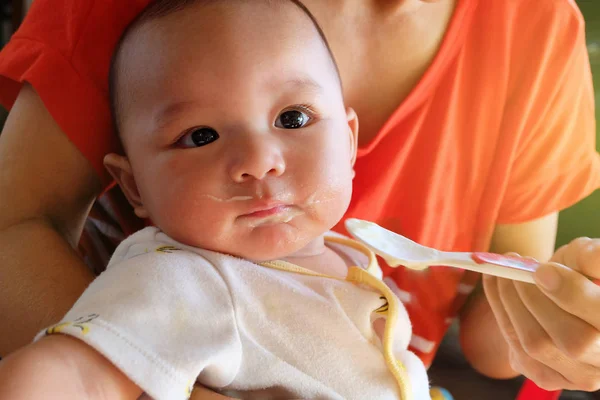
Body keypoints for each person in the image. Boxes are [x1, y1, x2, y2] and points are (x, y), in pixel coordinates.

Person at [0, 0, 599, 395]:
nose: (260, 159)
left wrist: (566, 306)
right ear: (133, 185)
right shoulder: (183, 285)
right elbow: (60, 373)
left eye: (293, 117)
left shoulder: (537, 27)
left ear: (350, 135)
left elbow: (497, 335)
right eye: (200, 137)